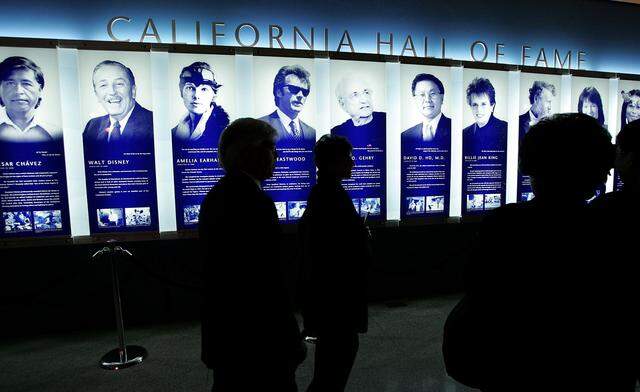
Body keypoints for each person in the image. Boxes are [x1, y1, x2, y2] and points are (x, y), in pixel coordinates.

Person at [443, 113, 638, 391]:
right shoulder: (609, 226)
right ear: (594, 169)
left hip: (512, 366)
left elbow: (479, 287)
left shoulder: (504, 223)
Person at [198, 118, 305, 392]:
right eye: (270, 147)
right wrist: (290, 337)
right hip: (258, 342)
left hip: (228, 337)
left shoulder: (216, 195)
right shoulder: (256, 203)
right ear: (246, 152)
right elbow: (268, 280)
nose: (276, 155)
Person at [298, 134, 371, 392]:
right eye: (348, 158)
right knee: (332, 372)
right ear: (333, 162)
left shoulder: (327, 193)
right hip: (336, 300)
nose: (353, 163)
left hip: (334, 300)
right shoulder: (328, 197)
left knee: (332, 368)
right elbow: (328, 253)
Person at [82, 60, 153, 144]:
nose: (112, 92)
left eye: (119, 84)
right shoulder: (92, 126)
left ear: (133, 91)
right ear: (97, 95)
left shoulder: (154, 124)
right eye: (103, 85)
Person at [0, 56, 60, 143]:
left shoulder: (57, 134)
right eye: (10, 83)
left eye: (26, 83)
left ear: (39, 90)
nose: (18, 91)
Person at [172, 62, 229, 145]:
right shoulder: (175, 133)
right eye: (190, 88)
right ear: (181, 92)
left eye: (204, 89)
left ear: (214, 95)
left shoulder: (226, 131)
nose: (196, 96)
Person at [258, 65, 315, 146]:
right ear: (279, 92)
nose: (300, 95)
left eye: (305, 92)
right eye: (293, 89)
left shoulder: (312, 132)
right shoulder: (259, 126)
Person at [331, 74, 385, 145]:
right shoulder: (336, 134)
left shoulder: (387, 121)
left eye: (366, 92)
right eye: (355, 95)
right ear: (342, 104)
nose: (364, 100)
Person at [401, 73, 451, 145]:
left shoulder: (456, 129)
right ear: (415, 99)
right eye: (422, 95)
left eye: (432, 93)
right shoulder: (405, 136)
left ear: (442, 98)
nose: (427, 99)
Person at [462, 77, 507, 148]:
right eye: (475, 104)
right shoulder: (464, 133)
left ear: (492, 106)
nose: (479, 110)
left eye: (483, 104)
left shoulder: (506, 130)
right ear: (470, 107)